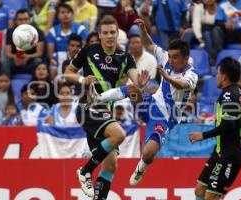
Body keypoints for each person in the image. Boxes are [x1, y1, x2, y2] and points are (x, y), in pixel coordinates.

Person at [88, 18, 198, 186]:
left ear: (185, 58)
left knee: (148, 154)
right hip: (151, 103)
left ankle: (142, 167)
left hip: (165, 119)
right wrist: (143, 30)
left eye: (176, 58)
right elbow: (150, 45)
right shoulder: (167, 59)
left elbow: (182, 84)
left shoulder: (191, 74)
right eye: (170, 56)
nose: (171, 60)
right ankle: (99, 98)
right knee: (133, 89)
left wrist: (167, 77)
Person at [64, 15, 142, 199]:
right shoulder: (89, 50)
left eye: (112, 32)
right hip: (88, 106)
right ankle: (85, 171)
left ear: (118, 34)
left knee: (111, 164)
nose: (109, 36)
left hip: (105, 110)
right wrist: (82, 79)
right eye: (105, 33)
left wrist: (142, 83)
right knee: (119, 134)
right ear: (100, 35)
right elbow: (68, 74)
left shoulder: (124, 57)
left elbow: (137, 81)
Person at [188, 57, 241, 200]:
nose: (216, 76)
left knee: (211, 197)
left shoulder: (228, 95)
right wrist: (240, 138)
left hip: (228, 156)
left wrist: (203, 135)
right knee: (199, 190)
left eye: (218, 73)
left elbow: (228, 124)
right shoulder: (239, 93)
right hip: (220, 153)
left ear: (224, 76)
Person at [4, 9, 44, 75]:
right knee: (6, 63)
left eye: (26, 19)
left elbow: (39, 53)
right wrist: (15, 57)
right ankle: (6, 83)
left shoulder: (38, 32)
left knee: (38, 62)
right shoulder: (10, 32)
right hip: (15, 60)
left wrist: (28, 56)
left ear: (30, 20)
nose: (23, 21)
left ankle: (35, 84)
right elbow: (8, 53)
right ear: (16, 21)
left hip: (31, 60)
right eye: (20, 19)